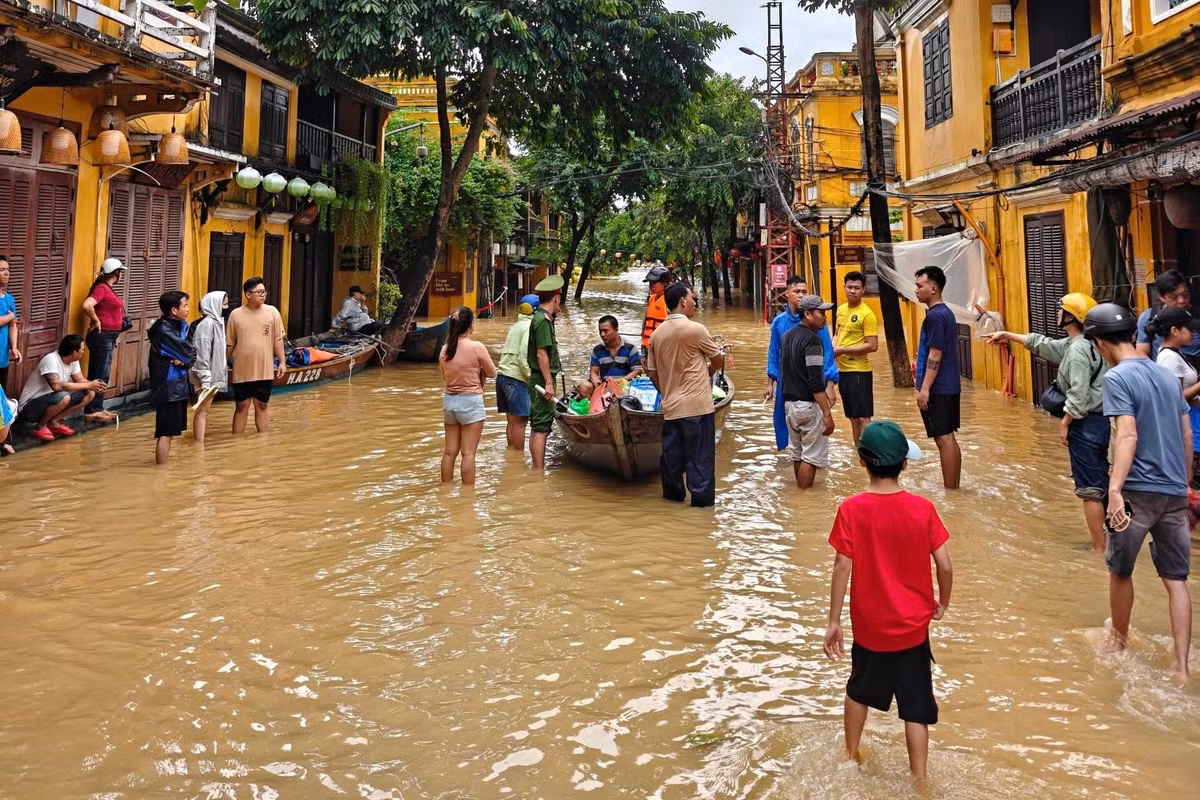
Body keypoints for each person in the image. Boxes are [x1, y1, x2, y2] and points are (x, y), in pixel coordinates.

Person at [823, 420, 953, 779]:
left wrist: (834, 621)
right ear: (905, 464)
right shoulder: (922, 509)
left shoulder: (851, 509)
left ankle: (850, 755)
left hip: (870, 629)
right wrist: (943, 601)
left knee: (859, 690)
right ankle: (921, 777)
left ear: (862, 462)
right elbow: (944, 564)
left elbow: (841, 566)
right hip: (913, 629)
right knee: (915, 709)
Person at [1086, 302, 1192, 680]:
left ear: (1099, 344)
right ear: (1133, 334)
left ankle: (1118, 640)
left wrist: (1114, 490)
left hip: (1136, 489)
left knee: (1120, 569)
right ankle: (1180, 666)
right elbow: (1185, 434)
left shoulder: (1116, 379)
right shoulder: (1167, 376)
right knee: (1175, 580)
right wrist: (1184, 482)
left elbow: (1127, 434)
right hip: (1174, 491)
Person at [985, 293, 1107, 551]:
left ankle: (1099, 548)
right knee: (1102, 481)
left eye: (1061, 309)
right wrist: (1006, 334)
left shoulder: (1076, 351)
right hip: (1102, 422)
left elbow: (1079, 395)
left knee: (1090, 489)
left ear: (1071, 316)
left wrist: (1064, 424)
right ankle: (1111, 542)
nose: (1057, 312)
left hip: (1085, 425)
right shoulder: (1089, 343)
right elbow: (1043, 344)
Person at [646, 283, 724, 507]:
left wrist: (667, 392)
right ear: (682, 301)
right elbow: (718, 360)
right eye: (693, 298)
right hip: (698, 408)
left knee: (672, 463)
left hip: (671, 409)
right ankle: (701, 512)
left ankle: (673, 504)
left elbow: (652, 373)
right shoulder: (696, 329)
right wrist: (708, 371)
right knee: (700, 463)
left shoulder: (656, 335)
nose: (694, 303)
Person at [765, 276, 839, 453]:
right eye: (796, 291)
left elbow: (827, 353)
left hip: (811, 382)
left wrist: (830, 383)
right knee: (784, 425)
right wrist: (770, 384)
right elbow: (773, 354)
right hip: (786, 382)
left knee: (813, 429)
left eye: (804, 292)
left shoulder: (818, 322)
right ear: (787, 293)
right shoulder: (779, 322)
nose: (800, 295)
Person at [781, 294, 837, 489]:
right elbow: (815, 382)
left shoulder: (787, 337)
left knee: (798, 454)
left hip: (789, 406)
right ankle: (804, 500)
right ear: (807, 314)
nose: (825, 317)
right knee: (811, 457)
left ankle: (800, 500)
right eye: (821, 312)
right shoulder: (813, 341)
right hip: (807, 405)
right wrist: (827, 414)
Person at [914, 266, 961, 489]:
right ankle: (953, 487)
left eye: (920, 286)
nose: (916, 290)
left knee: (944, 438)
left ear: (933, 288)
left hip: (939, 388)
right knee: (947, 437)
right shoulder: (943, 313)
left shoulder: (936, 316)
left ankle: (951, 489)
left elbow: (935, 353)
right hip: (947, 386)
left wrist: (925, 389)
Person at [439, 306, 496, 484]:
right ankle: (468, 499)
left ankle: (445, 490)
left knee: (449, 452)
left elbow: (445, 376)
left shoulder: (445, 350)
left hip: (450, 403)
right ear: (471, 325)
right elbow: (492, 372)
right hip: (471, 402)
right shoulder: (476, 347)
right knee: (468, 454)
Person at [226, 277, 285, 435]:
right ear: (248, 294)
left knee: (262, 405)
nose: (263, 295)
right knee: (241, 406)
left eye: (264, 291)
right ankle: (236, 443)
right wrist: (222, 364)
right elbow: (230, 343)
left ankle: (263, 442)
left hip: (264, 368)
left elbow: (277, 339)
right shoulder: (235, 315)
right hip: (242, 369)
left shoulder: (272, 312)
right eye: (259, 292)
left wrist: (282, 362)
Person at [1149, 306, 1200, 489]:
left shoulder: (1177, 353)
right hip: (1188, 421)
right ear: (1174, 330)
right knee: (1191, 472)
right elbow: (1175, 398)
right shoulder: (1169, 358)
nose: (1194, 333)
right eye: (1189, 329)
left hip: (1194, 417)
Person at [16, 335, 101, 441]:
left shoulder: (74, 361)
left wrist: (94, 385)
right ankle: (40, 426)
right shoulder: (50, 359)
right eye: (82, 350)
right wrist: (89, 384)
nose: (83, 352)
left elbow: (80, 380)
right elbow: (57, 386)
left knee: (90, 392)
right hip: (30, 408)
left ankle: (54, 422)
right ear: (74, 352)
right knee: (63, 396)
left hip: (52, 401)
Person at [147, 291, 195, 465]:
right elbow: (189, 352)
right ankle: (160, 471)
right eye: (185, 305)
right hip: (168, 387)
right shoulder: (164, 330)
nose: (188, 309)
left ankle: (164, 468)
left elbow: (187, 356)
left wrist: (184, 361)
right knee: (165, 433)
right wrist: (185, 360)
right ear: (174, 310)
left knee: (171, 432)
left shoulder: (177, 326)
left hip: (177, 386)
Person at [833, 271, 878, 449]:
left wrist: (843, 350)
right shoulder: (841, 309)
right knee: (852, 417)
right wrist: (831, 349)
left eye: (857, 288)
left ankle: (869, 453)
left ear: (863, 290)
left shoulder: (867, 314)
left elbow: (873, 346)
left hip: (859, 371)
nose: (853, 291)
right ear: (844, 287)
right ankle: (858, 453)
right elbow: (837, 334)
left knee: (863, 417)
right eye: (849, 287)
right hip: (842, 372)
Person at [80, 257, 127, 423]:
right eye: (121, 272)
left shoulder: (107, 288)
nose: (122, 274)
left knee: (102, 374)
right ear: (116, 273)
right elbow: (87, 305)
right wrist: (96, 320)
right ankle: (93, 410)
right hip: (102, 336)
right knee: (100, 374)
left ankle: (97, 407)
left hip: (107, 337)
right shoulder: (102, 288)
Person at [527, 275, 564, 470]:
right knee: (541, 428)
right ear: (556, 298)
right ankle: (539, 472)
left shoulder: (542, 318)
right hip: (542, 380)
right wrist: (549, 383)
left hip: (539, 379)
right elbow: (542, 354)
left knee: (537, 427)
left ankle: (536, 470)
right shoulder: (542, 321)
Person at [496, 294, 539, 451]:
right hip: (516, 379)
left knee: (511, 422)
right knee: (520, 423)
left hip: (502, 377)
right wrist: (531, 378)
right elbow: (523, 356)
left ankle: (511, 457)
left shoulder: (516, 326)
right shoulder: (529, 327)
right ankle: (518, 459)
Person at [1135, 269, 1200, 365]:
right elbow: (1142, 353)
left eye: (1185, 294)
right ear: (1161, 296)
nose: (1181, 300)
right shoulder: (1148, 318)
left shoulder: (1197, 315)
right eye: (1173, 297)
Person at [189, 291, 229, 446]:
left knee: (204, 411)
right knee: (202, 411)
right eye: (223, 303)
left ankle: (199, 443)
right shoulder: (207, 324)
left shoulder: (217, 322)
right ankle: (198, 446)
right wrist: (205, 380)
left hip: (211, 374)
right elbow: (202, 353)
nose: (225, 305)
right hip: (205, 375)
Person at [0, 255, 21, 455]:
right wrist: (8, 316)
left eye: (7, 269)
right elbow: (8, 319)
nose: (6, 273)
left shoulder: (9, 299)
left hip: (2, 359)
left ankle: (2, 440)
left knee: (1, 402)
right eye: (2, 269)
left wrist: (14, 347)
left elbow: (13, 326)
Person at [590, 315, 643, 384]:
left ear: (616, 330)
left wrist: (620, 381)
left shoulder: (630, 348)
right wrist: (595, 380)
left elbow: (637, 371)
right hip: (604, 384)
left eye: (606, 331)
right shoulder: (597, 350)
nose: (602, 334)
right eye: (600, 331)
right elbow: (593, 372)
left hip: (625, 385)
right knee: (584, 386)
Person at [640, 265, 670, 356]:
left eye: (654, 283)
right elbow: (644, 326)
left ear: (664, 283)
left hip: (663, 349)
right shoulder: (651, 299)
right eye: (650, 283)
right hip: (648, 348)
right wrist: (643, 352)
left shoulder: (669, 301)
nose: (651, 286)